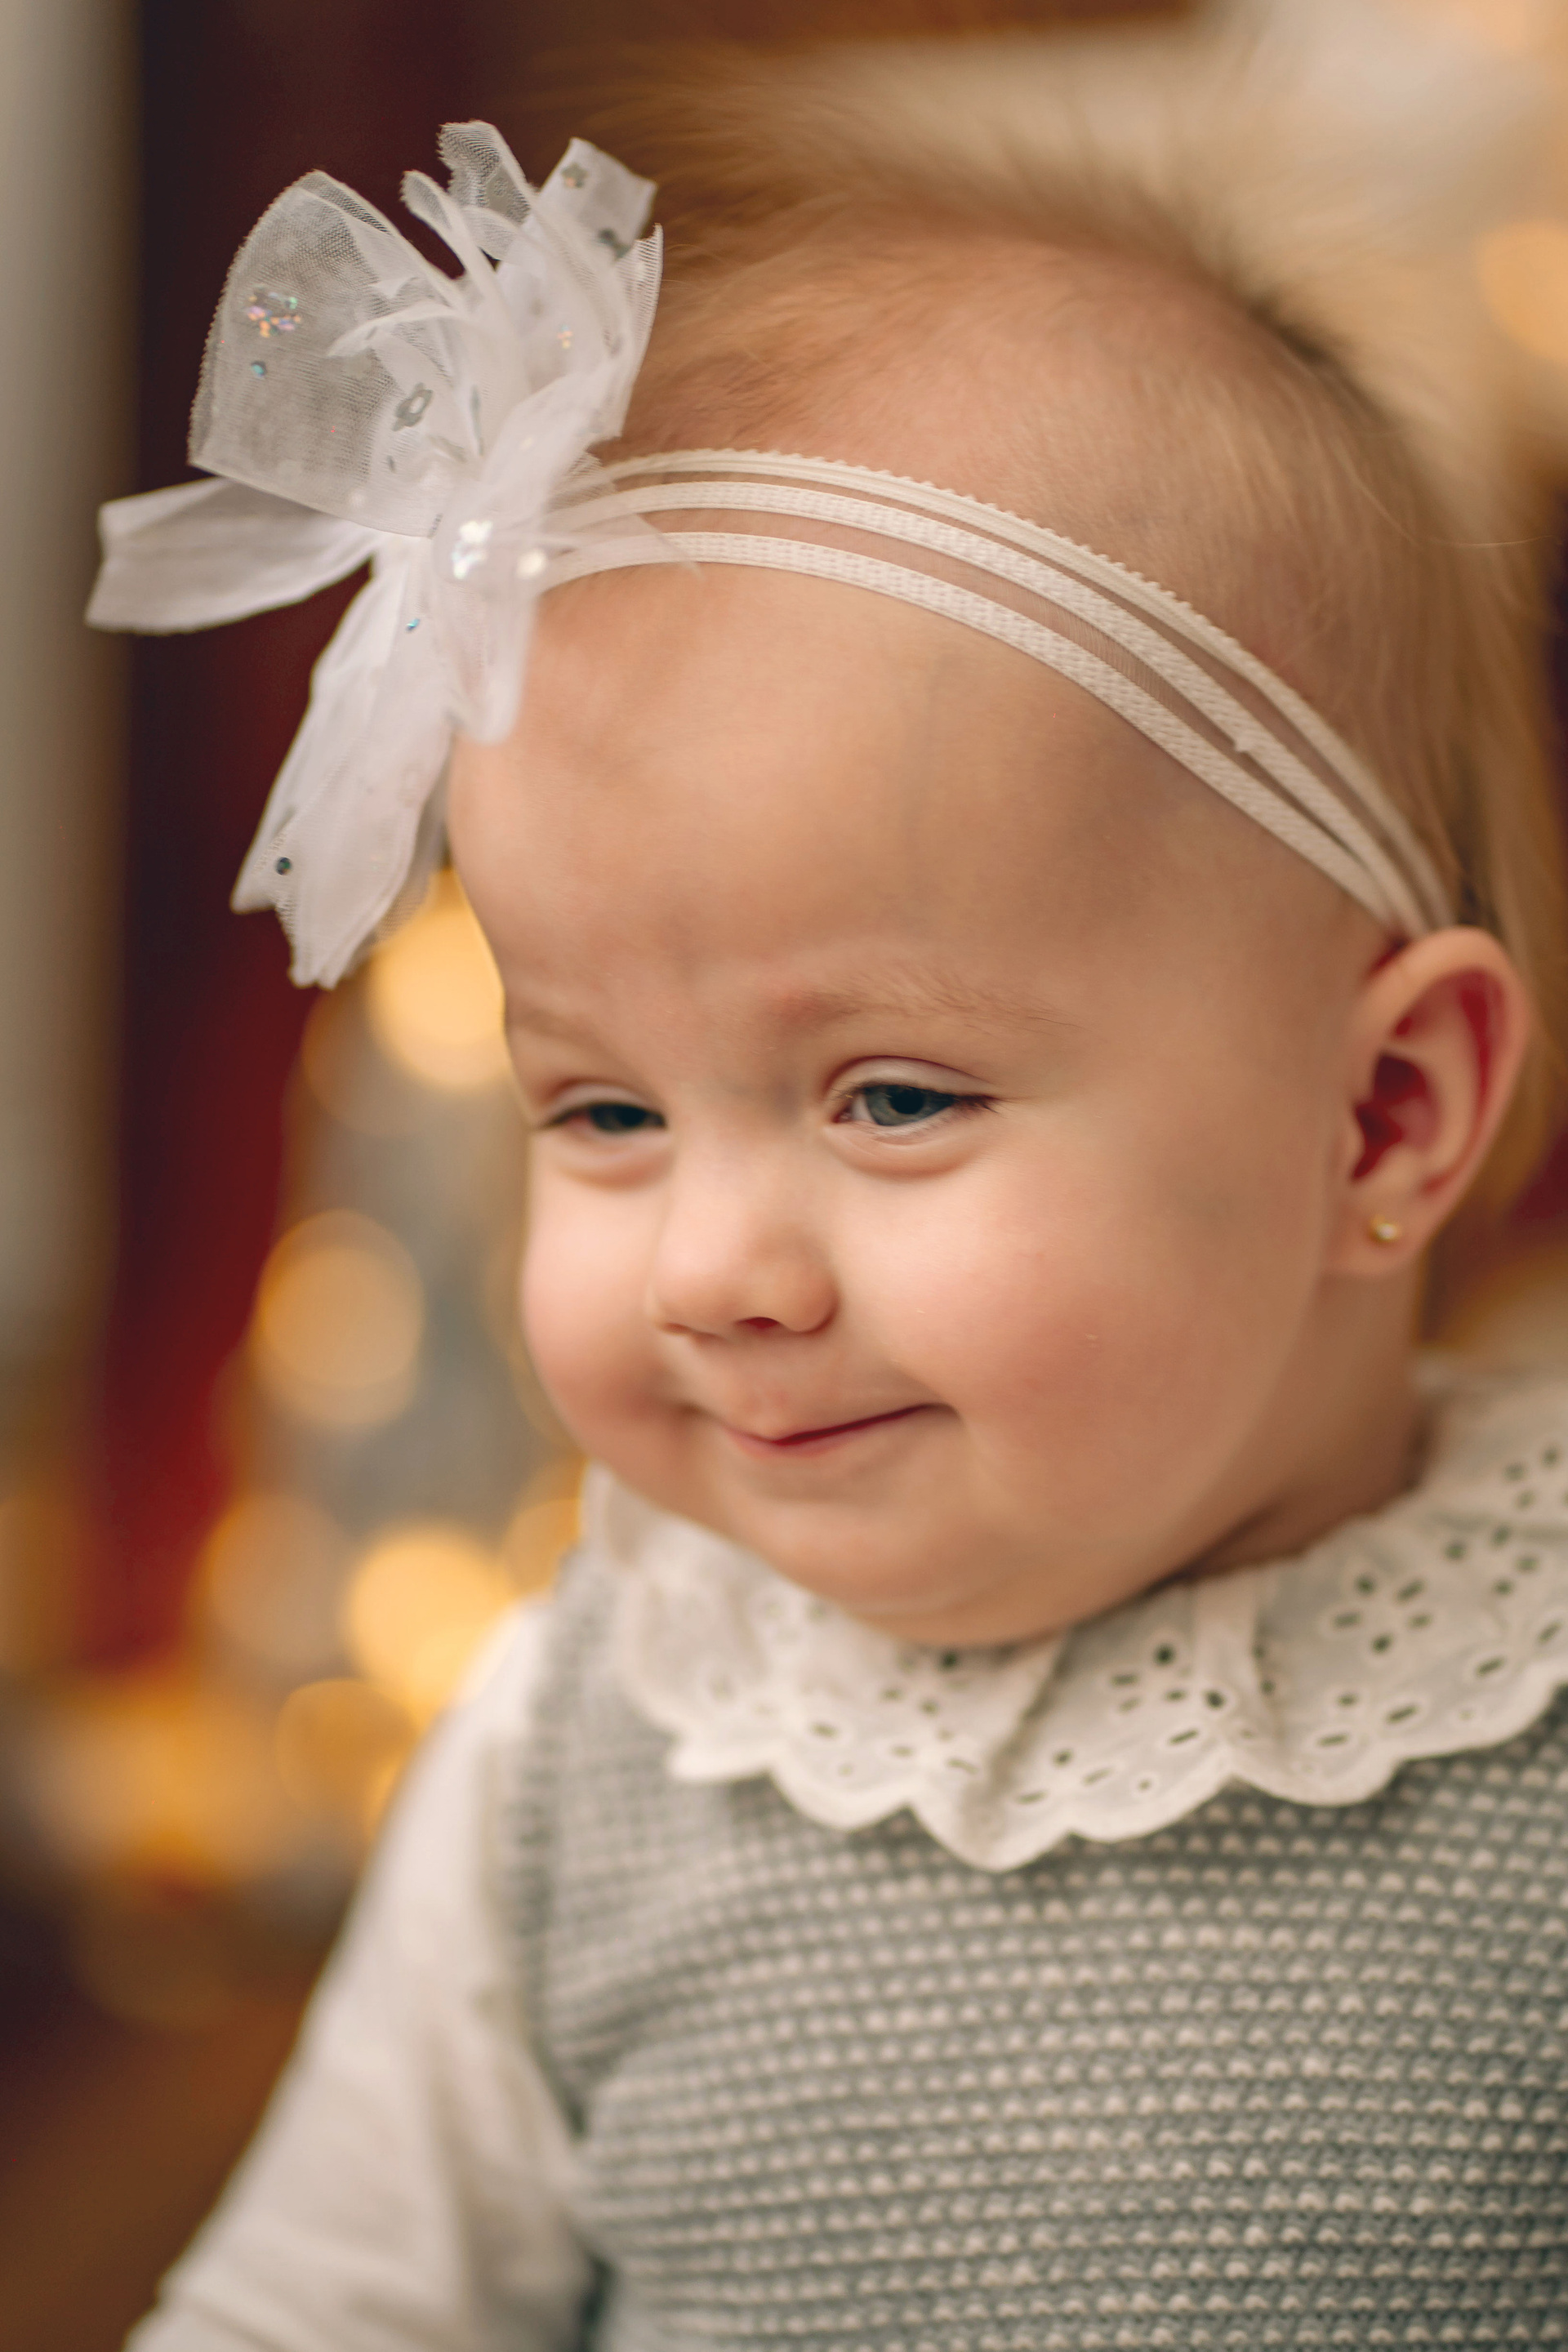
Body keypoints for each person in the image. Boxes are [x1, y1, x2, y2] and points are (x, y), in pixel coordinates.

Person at [93, 2, 1568, 2341]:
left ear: (1381, 1113)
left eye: (892, 1098)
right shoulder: (586, 1744)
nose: (715, 1270)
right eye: (603, 1110)